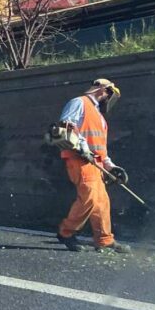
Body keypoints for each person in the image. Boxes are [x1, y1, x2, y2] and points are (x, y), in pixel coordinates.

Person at [55, 78, 131, 253]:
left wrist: (111, 166)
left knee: (102, 202)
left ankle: (104, 240)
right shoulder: (79, 103)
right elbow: (66, 126)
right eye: (109, 95)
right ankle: (65, 232)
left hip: (95, 163)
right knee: (88, 197)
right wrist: (82, 148)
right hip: (79, 159)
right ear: (103, 90)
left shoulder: (99, 117)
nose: (108, 100)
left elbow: (100, 148)